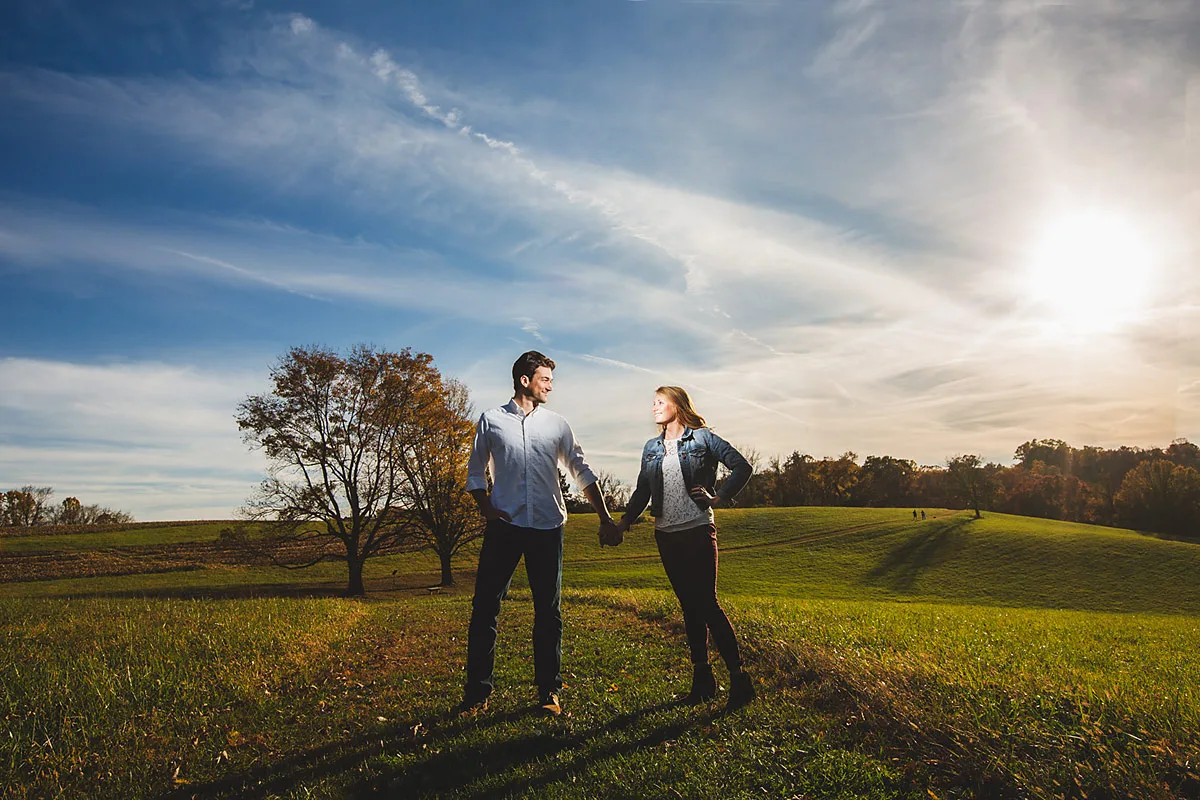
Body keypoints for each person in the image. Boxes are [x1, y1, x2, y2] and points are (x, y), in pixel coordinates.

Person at [461, 351, 620, 717]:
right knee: (485, 608)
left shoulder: (558, 425)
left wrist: (605, 518)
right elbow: (474, 475)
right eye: (545, 379)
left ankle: (549, 692)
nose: (550, 385)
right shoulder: (491, 421)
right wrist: (488, 511)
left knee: (548, 612)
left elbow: (582, 471)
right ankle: (477, 694)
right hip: (505, 528)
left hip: (548, 528)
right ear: (524, 380)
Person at [614, 386, 756, 708]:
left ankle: (739, 680)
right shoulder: (651, 448)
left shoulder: (703, 438)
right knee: (689, 608)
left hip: (697, 530)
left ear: (677, 405)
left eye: (660, 402)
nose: (654, 407)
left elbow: (742, 466)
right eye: (652, 402)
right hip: (666, 534)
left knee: (707, 604)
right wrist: (623, 523)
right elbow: (641, 492)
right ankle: (703, 680)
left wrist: (719, 497)